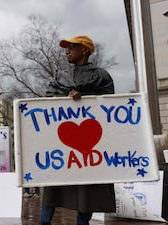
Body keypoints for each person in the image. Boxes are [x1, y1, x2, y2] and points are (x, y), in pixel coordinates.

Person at [40, 35, 116, 225]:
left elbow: (108, 100)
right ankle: (44, 222)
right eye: (66, 48)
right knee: (53, 185)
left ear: (84, 50)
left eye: (71, 47)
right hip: (61, 141)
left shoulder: (101, 75)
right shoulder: (60, 75)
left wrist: (86, 97)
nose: (67, 51)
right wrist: (67, 96)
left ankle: (83, 222)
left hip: (89, 142)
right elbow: (49, 95)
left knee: (86, 187)